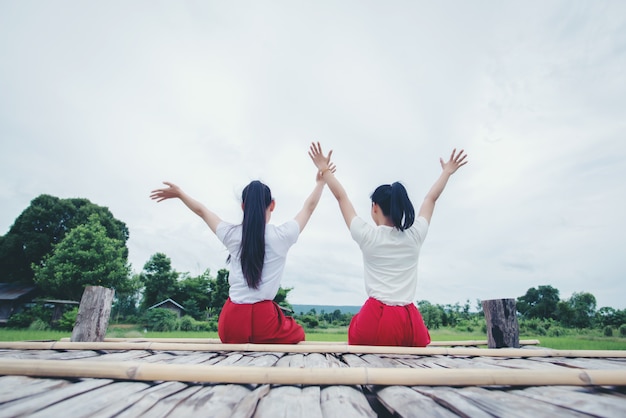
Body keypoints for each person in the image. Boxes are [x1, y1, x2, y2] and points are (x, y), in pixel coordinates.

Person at [150, 155, 334, 344]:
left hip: (230, 323)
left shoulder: (232, 234)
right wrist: (321, 182)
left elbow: (202, 211)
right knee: (298, 333)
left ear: (243, 206)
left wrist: (180, 193)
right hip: (265, 323)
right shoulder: (282, 236)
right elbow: (308, 208)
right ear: (272, 205)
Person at [308, 142, 467, 347]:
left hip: (376, 319)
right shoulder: (415, 236)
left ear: (374, 207)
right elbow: (431, 199)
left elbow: (341, 197)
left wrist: (324, 169)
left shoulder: (368, 236)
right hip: (409, 322)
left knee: (356, 330)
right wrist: (447, 172)